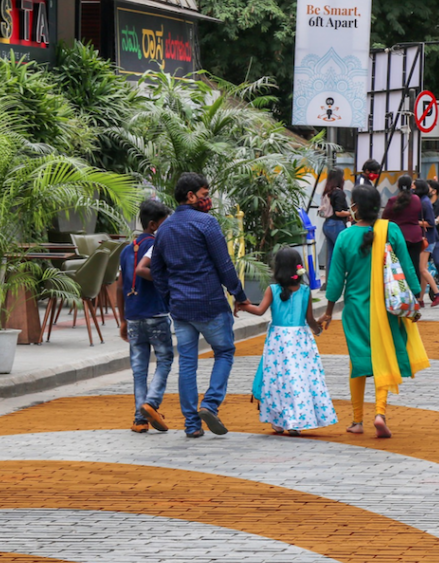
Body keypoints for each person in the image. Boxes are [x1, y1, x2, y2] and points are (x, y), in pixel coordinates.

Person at [319, 184, 429, 438]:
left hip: (355, 309)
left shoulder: (345, 237)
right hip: (386, 308)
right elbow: (407, 266)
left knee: (357, 362)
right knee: (383, 356)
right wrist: (415, 296)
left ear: (356, 207)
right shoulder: (391, 229)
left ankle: (357, 421)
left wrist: (329, 311)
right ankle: (380, 413)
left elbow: (336, 280)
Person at [151, 172, 249, 438]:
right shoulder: (207, 223)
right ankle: (210, 405)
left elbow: (157, 270)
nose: (208, 200)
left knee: (187, 363)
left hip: (181, 307)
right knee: (224, 352)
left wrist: (169, 297)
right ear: (191, 196)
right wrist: (239, 294)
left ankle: (192, 424)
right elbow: (224, 264)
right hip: (210, 303)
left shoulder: (164, 229)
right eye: (205, 195)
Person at [243, 248, 336, 436]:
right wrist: (318, 330)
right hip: (300, 341)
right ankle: (296, 420)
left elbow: (259, 311)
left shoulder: (273, 289)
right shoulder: (305, 291)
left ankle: (278, 420)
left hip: (278, 342)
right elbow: (309, 319)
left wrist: (243, 306)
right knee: (299, 379)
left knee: (277, 379)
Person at [118, 200, 174, 434]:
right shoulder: (158, 246)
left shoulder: (125, 250)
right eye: (164, 223)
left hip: (133, 315)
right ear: (153, 225)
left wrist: (122, 319)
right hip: (156, 313)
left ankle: (139, 420)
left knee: (139, 368)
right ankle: (151, 403)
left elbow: (119, 285)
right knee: (165, 359)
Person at [382, 175, 430, 304]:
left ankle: (400, 293)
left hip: (398, 236)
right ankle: (417, 296)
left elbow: (385, 217)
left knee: (397, 265)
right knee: (414, 265)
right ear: (411, 186)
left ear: (398, 186)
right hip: (415, 235)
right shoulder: (416, 200)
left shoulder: (393, 200)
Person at [414, 178, 439, 307]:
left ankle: (438, 294)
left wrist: (415, 223)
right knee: (423, 270)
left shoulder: (424, 203)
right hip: (428, 238)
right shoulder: (423, 201)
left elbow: (431, 223)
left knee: (422, 269)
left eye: (413, 187)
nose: (411, 189)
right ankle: (420, 299)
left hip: (427, 239)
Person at [321, 168, 351, 284]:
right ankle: (338, 280)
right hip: (336, 224)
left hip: (327, 224)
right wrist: (351, 213)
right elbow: (338, 212)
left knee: (332, 254)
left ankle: (331, 281)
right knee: (342, 253)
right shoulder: (338, 193)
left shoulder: (327, 192)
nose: (344, 179)